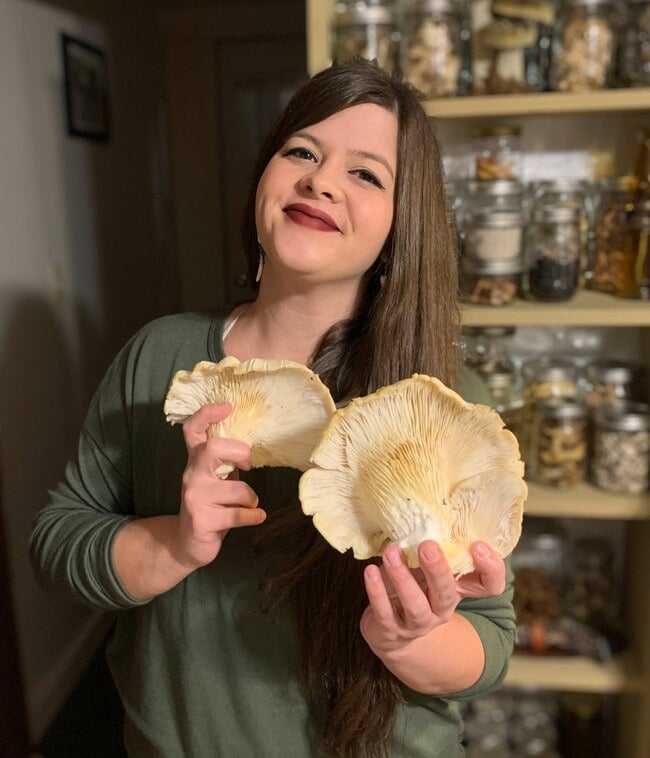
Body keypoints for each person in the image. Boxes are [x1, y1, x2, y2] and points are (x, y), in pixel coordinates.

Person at [30, 60, 515, 758]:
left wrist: (414, 638)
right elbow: (55, 544)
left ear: (399, 232)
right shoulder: (159, 356)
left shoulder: (444, 401)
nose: (321, 180)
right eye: (302, 152)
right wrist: (173, 542)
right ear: (264, 176)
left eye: (367, 174)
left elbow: (491, 640)